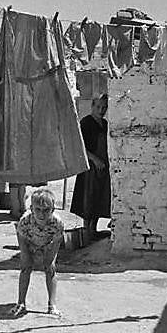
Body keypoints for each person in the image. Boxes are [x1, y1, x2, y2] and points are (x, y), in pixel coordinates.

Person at [10, 188, 64, 318]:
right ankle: (21, 303)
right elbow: (22, 239)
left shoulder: (57, 223)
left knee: (50, 269)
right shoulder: (24, 221)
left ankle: (52, 305)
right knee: (25, 267)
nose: (41, 214)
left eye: (46, 210)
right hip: (28, 241)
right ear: (31, 208)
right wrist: (26, 255)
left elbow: (57, 240)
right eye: (38, 209)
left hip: (48, 243)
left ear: (52, 210)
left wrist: (49, 257)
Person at [70, 94, 110, 244]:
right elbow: (80, 147)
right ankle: (86, 231)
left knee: (100, 197)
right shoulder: (86, 123)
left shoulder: (105, 124)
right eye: (98, 107)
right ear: (92, 106)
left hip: (102, 167)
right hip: (90, 167)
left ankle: (94, 229)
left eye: (104, 107)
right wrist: (95, 159)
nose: (101, 110)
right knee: (88, 198)